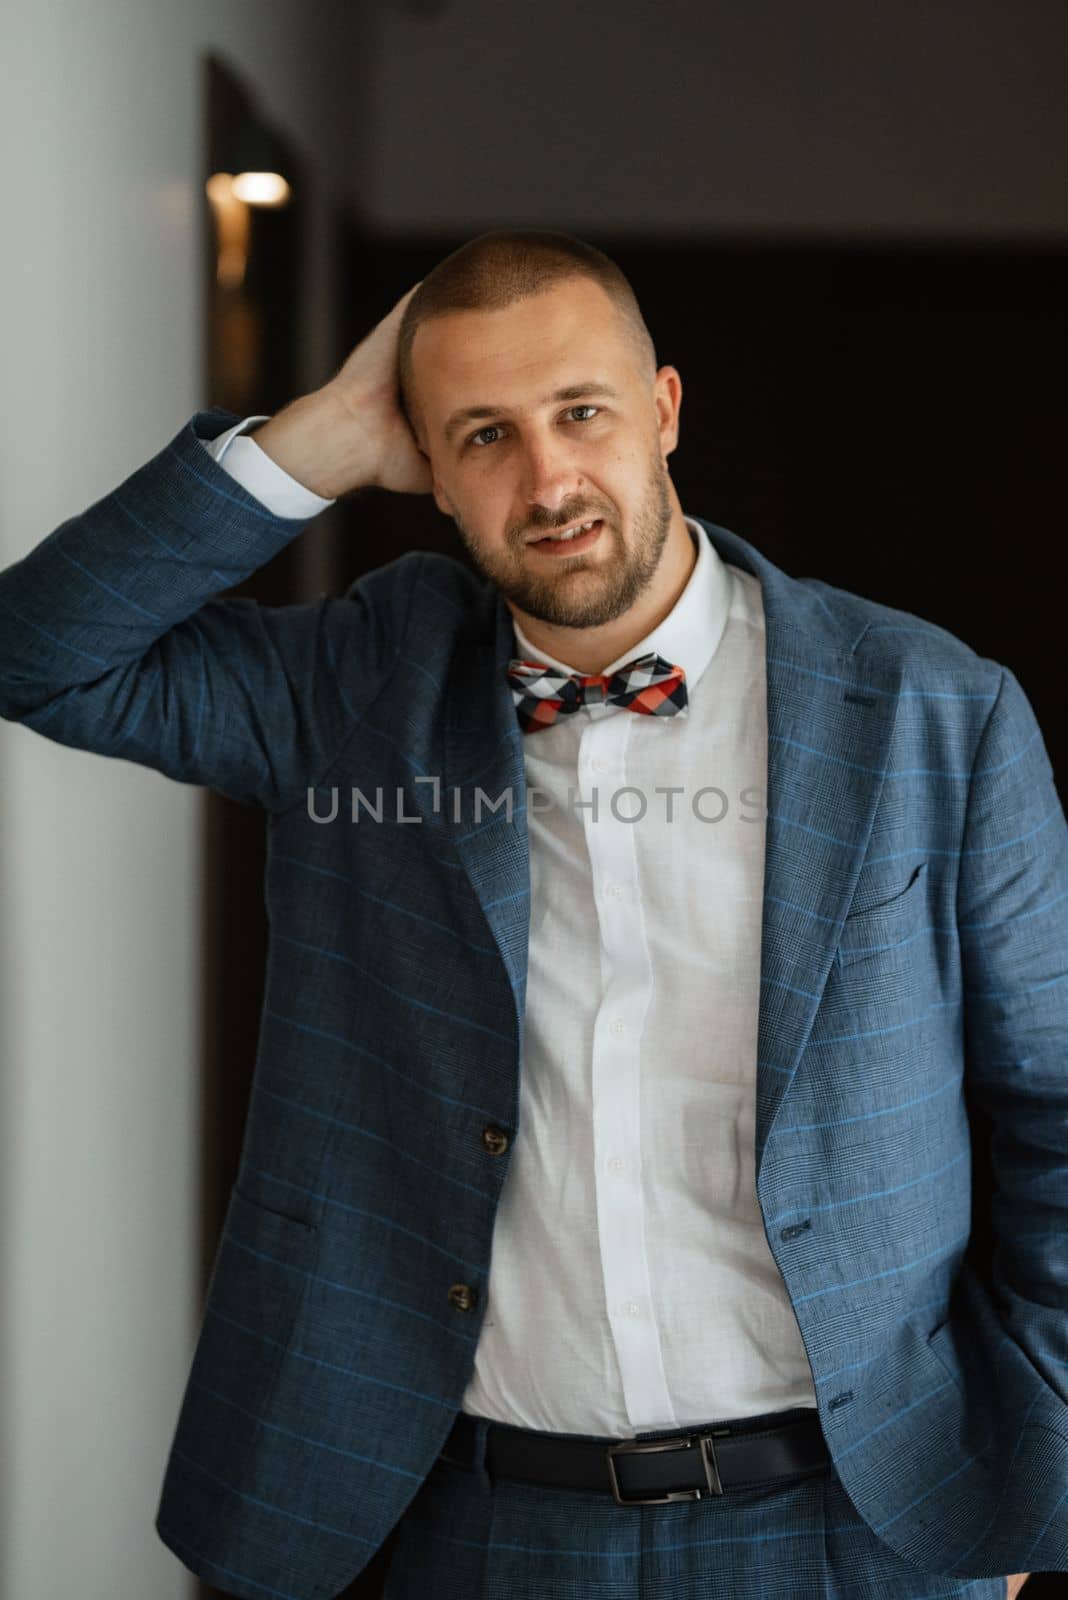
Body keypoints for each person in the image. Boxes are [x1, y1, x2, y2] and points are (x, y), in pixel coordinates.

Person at [0, 229, 1058, 1600]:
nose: (549, 478)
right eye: (484, 435)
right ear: (427, 470)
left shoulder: (933, 709)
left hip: (862, 1527)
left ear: (665, 410)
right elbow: (41, 654)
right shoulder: (357, 688)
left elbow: (1055, 1103)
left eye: (582, 412)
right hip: (476, 1528)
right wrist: (310, 440)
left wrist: (1038, 1460)